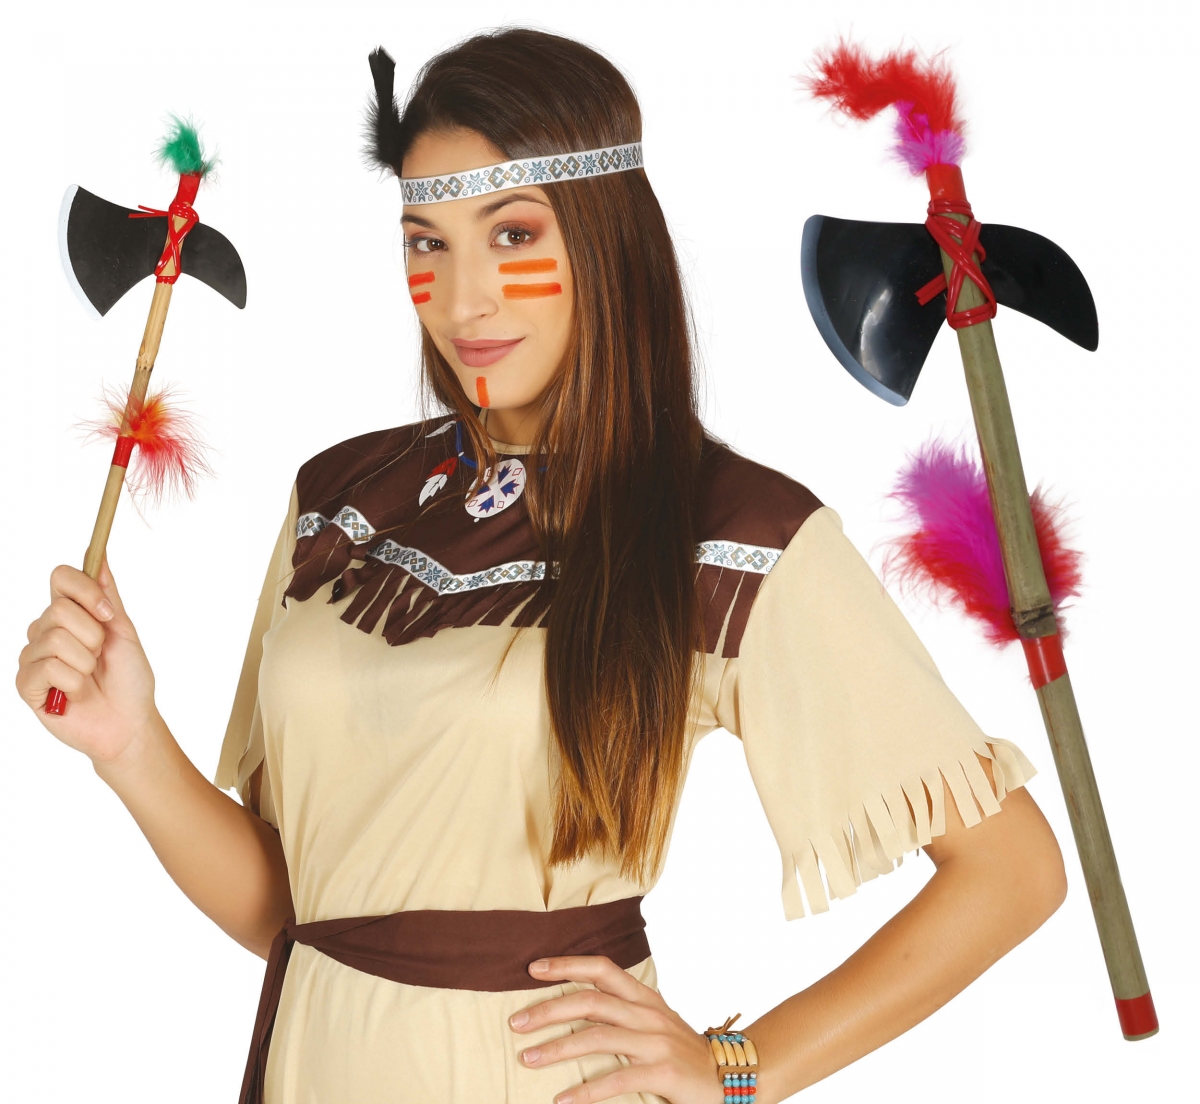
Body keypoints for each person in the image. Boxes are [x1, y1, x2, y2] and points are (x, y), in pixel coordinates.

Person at [15, 27, 1066, 1104]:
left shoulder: (729, 527)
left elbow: (1012, 871)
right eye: (426, 243)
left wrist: (737, 1070)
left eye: (511, 234)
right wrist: (129, 744)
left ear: (606, 240)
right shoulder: (340, 499)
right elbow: (304, 913)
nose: (463, 298)